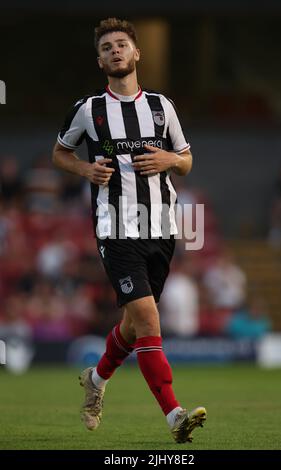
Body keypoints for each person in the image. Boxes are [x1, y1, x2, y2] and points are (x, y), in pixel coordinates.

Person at [52, 17, 206, 443]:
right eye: (106, 48)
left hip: (162, 227)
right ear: (100, 60)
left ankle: (96, 380)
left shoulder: (162, 107)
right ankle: (175, 415)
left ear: (136, 53)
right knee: (148, 317)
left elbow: (187, 159)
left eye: (122, 44)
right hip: (115, 227)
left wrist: (170, 161)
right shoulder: (88, 110)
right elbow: (60, 153)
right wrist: (85, 167)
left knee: (134, 325)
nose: (115, 51)